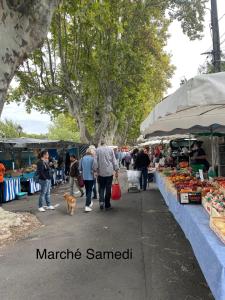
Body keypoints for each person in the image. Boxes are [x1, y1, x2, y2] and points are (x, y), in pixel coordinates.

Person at [96, 142, 119, 210]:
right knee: (108, 188)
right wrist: (116, 170)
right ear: (105, 144)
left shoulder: (97, 150)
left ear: (100, 144)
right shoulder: (110, 150)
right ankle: (107, 204)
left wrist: (95, 170)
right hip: (109, 172)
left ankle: (101, 202)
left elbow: (95, 161)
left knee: (101, 188)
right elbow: (114, 161)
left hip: (101, 173)